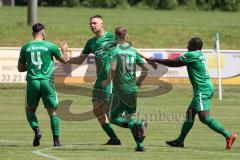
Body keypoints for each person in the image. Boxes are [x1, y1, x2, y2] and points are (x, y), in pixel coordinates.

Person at [147, 37, 236, 149]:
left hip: (202, 90)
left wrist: (155, 60)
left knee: (204, 117)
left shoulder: (192, 54)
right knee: (190, 113)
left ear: (194, 46)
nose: (187, 47)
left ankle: (228, 135)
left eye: (189, 44)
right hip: (206, 87)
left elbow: (174, 63)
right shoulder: (199, 54)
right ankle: (180, 141)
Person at [67, 15, 121, 145]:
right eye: (90, 23)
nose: (92, 25)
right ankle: (114, 138)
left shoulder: (112, 38)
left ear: (102, 24)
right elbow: (80, 60)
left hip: (110, 79)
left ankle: (136, 125)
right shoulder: (91, 43)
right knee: (97, 111)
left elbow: (127, 51)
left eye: (95, 23)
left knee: (111, 114)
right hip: (99, 80)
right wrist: (65, 58)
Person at [18, 23, 68, 147]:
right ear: (43, 32)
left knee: (30, 110)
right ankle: (56, 141)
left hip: (33, 82)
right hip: (47, 81)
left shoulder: (26, 47)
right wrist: (64, 50)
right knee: (53, 112)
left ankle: (37, 130)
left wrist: (30, 66)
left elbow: (20, 68)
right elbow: (64, 60)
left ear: (32, 33)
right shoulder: (50, 46)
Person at [101, 27, 148, 152]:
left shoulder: (115, 51)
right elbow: (145, 69)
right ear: (127, 37)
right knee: (130, 117)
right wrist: (139, 82)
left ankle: (138, 125)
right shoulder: (132, 51)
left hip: (119, 89)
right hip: (132, 89)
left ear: (116, 37)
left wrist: (107, 81)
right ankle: (139, 146)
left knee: (111, 117)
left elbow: (113, 68)